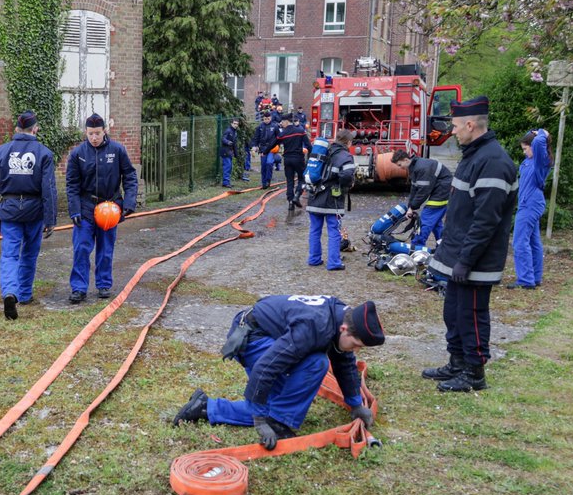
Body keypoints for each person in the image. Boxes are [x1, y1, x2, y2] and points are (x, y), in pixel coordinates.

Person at [172, 295, 383, 448]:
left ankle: (206, 407)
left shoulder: (343, 317)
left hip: (273, 335)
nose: (356, 350)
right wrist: (260, 420)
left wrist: (355, 403)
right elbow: (267, 366)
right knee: (315, 365)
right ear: (344, 329)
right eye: (356, 344)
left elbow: (344, 360)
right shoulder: (313, 327)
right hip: (252, 338)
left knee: (283, 399)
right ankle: (275, 420)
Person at [424, 96, 518, 392]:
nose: (452, 132)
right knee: (453, 311)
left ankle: (474, 372)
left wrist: (466, 260)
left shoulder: (492, 161)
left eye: (454, 126)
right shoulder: (475, 155)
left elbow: (485, 221)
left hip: (476, 260)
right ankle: (457, 362)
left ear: (470, 124)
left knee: (472, 314)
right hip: (460, 255)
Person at [0, 111, 57, 320]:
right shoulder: (44, 153)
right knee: (29, 254)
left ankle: (9, 292)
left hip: (10, 209)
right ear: (35, 129)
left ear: (16, 129)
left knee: (9, 254)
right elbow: (49, 189)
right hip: (34, 211)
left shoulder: (2, 151)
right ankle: (24, 294)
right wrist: (50, 220)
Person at [65, 113, 138, 303]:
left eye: (97, 133)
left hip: (110, 207)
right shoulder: (78, 154)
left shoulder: (117, 150)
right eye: (90, 134)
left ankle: (104, 284)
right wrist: (74, 210)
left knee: (105, 249)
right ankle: (79, 288)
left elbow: (130, 176)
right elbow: (72, 184)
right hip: (86, 207)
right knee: (81, 248)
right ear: (86, 132)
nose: (94, 138)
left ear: (104, 131)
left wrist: (129, 203)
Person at [307, 128, 355, 270]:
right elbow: (346, 176)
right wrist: (346, 184)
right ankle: (334, 262)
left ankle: (314, 259)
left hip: (314, 197)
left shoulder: (322, 151)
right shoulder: (345, 156)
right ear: (349, 142)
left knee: (314, 230)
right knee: (334, 231)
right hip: (332, 200)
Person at [509, 127, 550, 289]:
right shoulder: (530, 161)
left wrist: (541, 132)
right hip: (529, 203)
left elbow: (540, 142)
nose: (524, 152)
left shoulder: (541, 161)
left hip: (530, 205)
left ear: (533, 147)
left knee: (519, 242)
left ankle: (525, 280)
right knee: (533, 241)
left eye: (526, 149)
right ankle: (535, 277)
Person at [390, 149, 453, 248]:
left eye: (399, 165)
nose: (400, 168)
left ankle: (417, 247)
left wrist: (413, 207)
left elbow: (423, 191)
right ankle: (443, 245)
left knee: (426, 218)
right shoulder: (414, 167)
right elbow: (414, 189)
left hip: (443, 190)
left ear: (406, 160)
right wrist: (410, 206)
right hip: (440, 188)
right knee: (435, 222)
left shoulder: (422, 168)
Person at [275, 113, 311, 209]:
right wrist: (310, 157)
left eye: (282, 121)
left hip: (287, 159)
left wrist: (265, 151)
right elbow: (308, 145)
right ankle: (297, 195)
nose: (281, 123)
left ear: (287, 121)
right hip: (298, 159)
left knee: (289, 181)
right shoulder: (300, 131)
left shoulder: (283, 133)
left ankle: (291, 203)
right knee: (302, 179)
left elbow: (274, 143)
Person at [250, 110, 278, 189]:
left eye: (268, 119)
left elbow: (279, 137)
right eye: (265, 119)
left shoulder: (275, 126)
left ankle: (268, 180)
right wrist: (254, 146)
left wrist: (278, 145)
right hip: (263, 149)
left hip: (271, 149)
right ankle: (264, 182)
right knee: (263, 165)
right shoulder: (260, 127)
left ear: (270, 118)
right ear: (263, 119)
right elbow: (256, 138)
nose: (266, 120)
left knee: (269, 163)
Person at [220, 117, 241, 188]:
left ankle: (227, 182)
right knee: (227, 166)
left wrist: (236, 154)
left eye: (237, 124)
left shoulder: (235, 132)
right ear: (231, 123)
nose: (236, 125)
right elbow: (223, 139)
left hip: (230, 152)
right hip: (225, 151)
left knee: (230, 167)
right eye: (234, 124)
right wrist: (228, 142)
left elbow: (234, 144)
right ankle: (225, 183)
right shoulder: (228, 131)